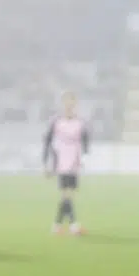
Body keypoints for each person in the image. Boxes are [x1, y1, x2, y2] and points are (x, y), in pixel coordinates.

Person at [44, 92, 90, 235]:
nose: (69, 106)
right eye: (67, 103)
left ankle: (57, 225)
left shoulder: (80, 123)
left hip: (74, 162)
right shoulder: (56, 122)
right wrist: (46, 163)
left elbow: (85, 141)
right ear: (64, 105)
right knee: (66, 194)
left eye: (72, 104)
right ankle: (73, 226)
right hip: (62, 161)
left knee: (68, 196)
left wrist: (84, 158)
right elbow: (47, 141)